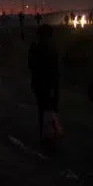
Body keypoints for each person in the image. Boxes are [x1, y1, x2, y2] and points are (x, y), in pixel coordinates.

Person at [28, 24, 61, 152]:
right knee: (50, 110)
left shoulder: (34, 48)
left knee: (42, 110)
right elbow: (54, 70)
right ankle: (49, 138)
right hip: (48, 85)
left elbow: (31, 66)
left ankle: (46, 136)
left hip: (38, 84)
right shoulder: (50, 49)